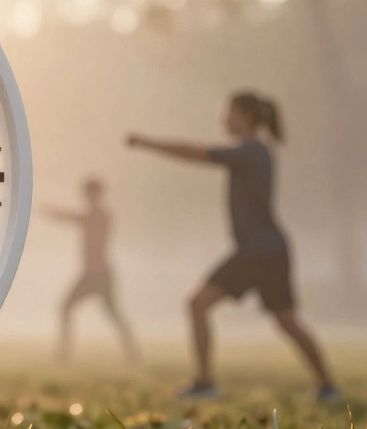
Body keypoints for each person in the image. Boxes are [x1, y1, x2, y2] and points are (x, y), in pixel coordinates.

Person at [128, 91, 339, 402]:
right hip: (268, 251)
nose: (224, 118)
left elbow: (195, 153)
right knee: (286, 321)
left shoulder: (252, 151)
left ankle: (204, 382)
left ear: (245, 116)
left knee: (198, 304)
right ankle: (327, 386)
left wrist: (148, 143)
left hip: (259, 251)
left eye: (229, 112)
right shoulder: (256, 151)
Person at [46, 177, 138, 362]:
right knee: (72, 309)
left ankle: (131, 353)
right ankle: (64, 354)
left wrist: (52, 213)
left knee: (108, 313)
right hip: (94, 273)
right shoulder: (96, 215)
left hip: (98, 274)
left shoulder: (100, 216)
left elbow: (76, 218)